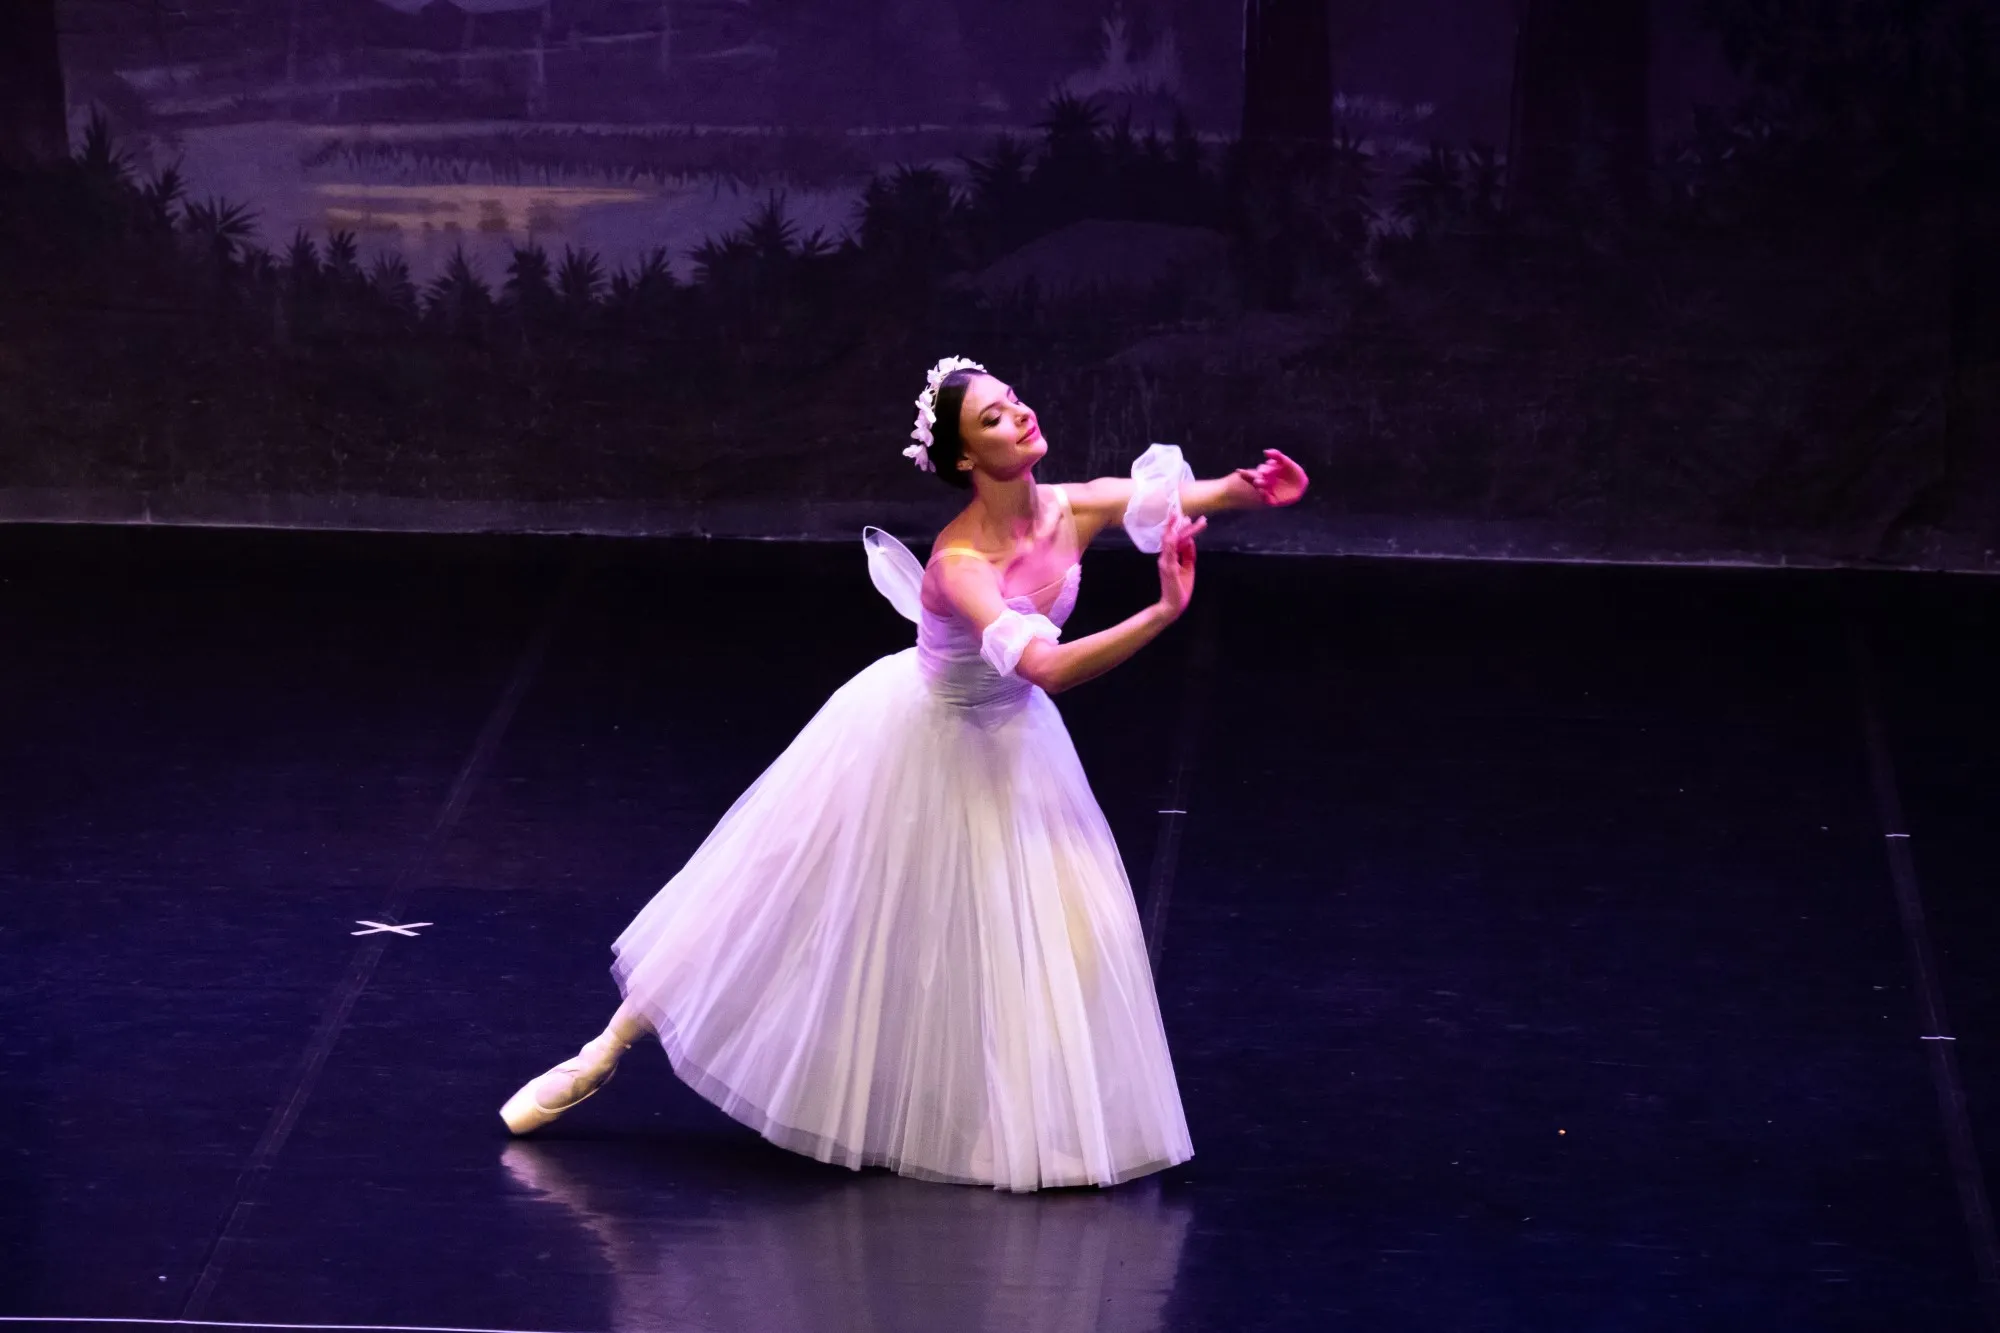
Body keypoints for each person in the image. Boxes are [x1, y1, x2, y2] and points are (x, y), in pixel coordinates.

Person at [499, 356, 1309, 1191]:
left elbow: (1193, 496)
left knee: (1065, 931)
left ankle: (1017, 1122)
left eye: (1015, 401)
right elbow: (1050, 669)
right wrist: (1164, 611)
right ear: (964, 460)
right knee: (776, 898)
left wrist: (1255, 486)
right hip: (916, 738)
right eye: (992, 418)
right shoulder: (961, 563)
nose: (1019, 416)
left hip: (1013, 747)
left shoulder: (1074, 504)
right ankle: (607, 1046)